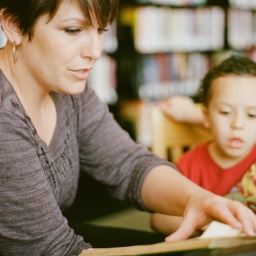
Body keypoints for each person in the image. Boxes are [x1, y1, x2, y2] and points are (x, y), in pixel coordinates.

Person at [0, 1, 255, 255]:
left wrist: (197, 198)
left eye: (101, 31)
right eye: (73, 30)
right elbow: (52, 250)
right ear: (13, 25)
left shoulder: (67, 89)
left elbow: (128, 164)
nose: (95, 51)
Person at [151, 55, 256, 237]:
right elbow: (158, 220)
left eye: (252, 115)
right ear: (206, 116)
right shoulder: (191, 164)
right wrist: (208, 221)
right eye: (225, 112)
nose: (238, 124)